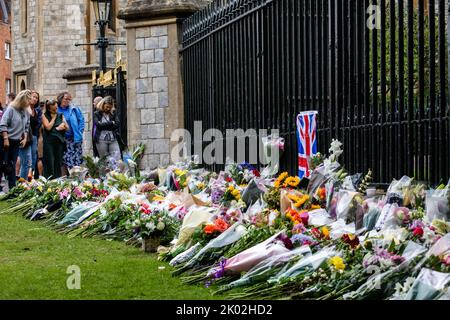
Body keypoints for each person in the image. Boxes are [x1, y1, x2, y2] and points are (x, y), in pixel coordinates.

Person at [0, 90, 32, 189]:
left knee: (12, 165)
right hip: (5, 140)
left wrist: (25, 137)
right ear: (22, 100)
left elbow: (27, 126)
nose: (30, 102)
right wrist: (5, 139)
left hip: (15, 141)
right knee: (2, 164)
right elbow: (3, 124)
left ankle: (12, 188)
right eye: (28, 100)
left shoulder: (26, 111)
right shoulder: (11, 109)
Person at [57, 91, 85, 173]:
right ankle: (66, 176)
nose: (68, 101)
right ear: (60, 99)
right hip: (62, 138)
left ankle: (76, 175)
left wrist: (80, 131)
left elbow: (81, 120)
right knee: (65, 158)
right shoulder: (56, 109)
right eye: (66, 99)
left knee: (76, 158)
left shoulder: (74, 108)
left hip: (75, 137)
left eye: (69, 99)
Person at [18, 90, 41, 180]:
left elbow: (37, 124)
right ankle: (23, 180)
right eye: (33, 96)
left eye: (36, 98)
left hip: (34, 137)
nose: (35, 99)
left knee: (34, 159)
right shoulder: (23, 109)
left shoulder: (37, 111)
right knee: (26, 161)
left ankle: (30, 179)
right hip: (24, 137)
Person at [42, 99, 68, 179]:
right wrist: (54, 120)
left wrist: (62, 127)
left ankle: (57, 178)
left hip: (59, 141)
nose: (56, 110)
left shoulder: (61, 115)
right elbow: (48, 127)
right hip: (49, 141)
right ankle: (49, 178)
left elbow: (67, 127)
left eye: (56, 108)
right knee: (49, 160)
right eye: (54, 109)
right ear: (49, 108)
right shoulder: (44, 115)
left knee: (58, 160)